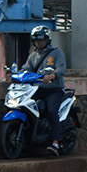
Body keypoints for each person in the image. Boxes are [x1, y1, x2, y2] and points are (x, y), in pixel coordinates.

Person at [20, 25, 67, 156]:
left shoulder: (57, 53)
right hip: (36, 89)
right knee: (25, 107)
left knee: (52, 111)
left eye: (41, 40)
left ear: (47, 40)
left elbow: (60, 69)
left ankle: (55, 143)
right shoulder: (33, 55)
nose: (38, 43)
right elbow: (26, 69)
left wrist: (52, 76)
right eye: (36, 41)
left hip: (53, 90)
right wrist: (15, 74)